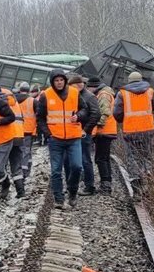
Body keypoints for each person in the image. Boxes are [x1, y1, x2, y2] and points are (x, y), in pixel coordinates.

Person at [37, 69, 87, 209]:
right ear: (52, 82)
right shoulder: (46, 95)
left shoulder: (74, 92)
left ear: (65, 80)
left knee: (77, 166)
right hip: (55, 139)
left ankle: (72, 191)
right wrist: (48, 134)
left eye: (61, 80)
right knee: (56, 170)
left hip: (73, 136)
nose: (59, 83)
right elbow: (40, 117)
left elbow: (84, 109)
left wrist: (79, 116)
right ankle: (59, 199)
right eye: (56, 81)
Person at [113, 71, 154, 199]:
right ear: (141, 79)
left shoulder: (122, 93)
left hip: (131, 131)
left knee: (133, 158)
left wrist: (124, 120)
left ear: (129, 81)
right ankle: (147, 181)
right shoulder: (150, 91)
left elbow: (116, 112)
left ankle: (137, 189)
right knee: (146, 156)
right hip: (148, 130)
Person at [67, 75, 101, 196]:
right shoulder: (80, 95)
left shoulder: (89, 97)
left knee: (85, 159)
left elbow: (96, 114)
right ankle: (81, 183)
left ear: (77, 85)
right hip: (76, 131)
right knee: (79, 159)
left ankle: (89, 186)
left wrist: (86, 130)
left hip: (83, 132)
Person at [89, 76, 117, 194]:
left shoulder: (103, 95)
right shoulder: (105, 93)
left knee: (101, 159)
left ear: (92, 86)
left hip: (104, 131)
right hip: (107, 131)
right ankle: (106, 183)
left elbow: (104, 112)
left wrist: (95, 124)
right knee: (104, 158)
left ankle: (106, 186)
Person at [15, 82, 38, 180]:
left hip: (16, 130)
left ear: (20, 90)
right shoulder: (33, 101)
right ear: (28, 91)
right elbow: (38, 116)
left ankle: (18, 170)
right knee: (26, 151)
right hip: (29, 130)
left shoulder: (14, 100)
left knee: (17, 151)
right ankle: (24, 171)